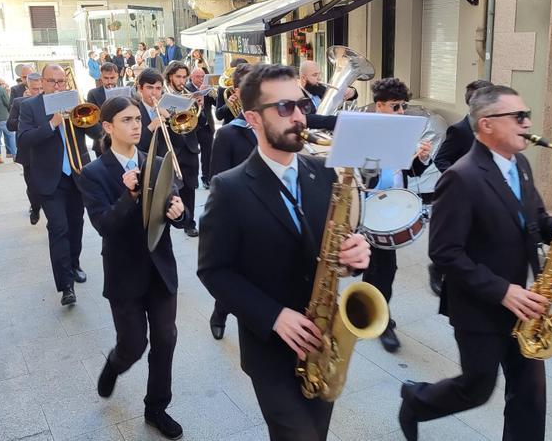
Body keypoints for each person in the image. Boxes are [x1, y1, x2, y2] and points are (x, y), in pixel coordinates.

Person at [398, 85, 552, 441]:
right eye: (519, 116)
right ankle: (415, 400)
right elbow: (445, 253)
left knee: (530, 395)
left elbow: (533, 218)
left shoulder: (521, 164)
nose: (528, 122)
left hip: (528, 303)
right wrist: (503, 292)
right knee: (477, 388)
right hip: (479, 305)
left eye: (526, 115)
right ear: (486, 125)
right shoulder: (461, 176)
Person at [197, 64, 371, 441]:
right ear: (252, 119)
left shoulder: (324, 172)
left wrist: (354, 254)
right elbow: (214, 271)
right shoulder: (229, 188)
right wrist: (275, 317)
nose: (298, 116)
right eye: (284, 108)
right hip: (271, 350)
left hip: (325, 343)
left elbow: (330, 248)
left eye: (301, 105)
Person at [76, 96, 188, 440]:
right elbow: (104, 226)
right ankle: (115, 364)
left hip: (160, 268)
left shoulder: (158, 161)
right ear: (108, 127)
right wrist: (129, 196)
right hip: (124, 272)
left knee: (166, 338)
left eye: (138, 119)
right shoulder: (93, 174)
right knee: (134, 344)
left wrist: (179, 212)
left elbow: (178, 213)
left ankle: (156, 408)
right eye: (126, 120)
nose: (136, 125)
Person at [18, 64, 104, 305]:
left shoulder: (74, 102)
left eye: (61, 82)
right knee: (58, 228)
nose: (57, 86)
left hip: (77, 175)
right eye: (52, 81)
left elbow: (97, 133)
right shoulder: (30, 106)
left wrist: (84, 117)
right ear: (42, 82)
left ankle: (74, 264)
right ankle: (66, 285)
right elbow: (23, 140)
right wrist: (52, 124)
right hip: (49, 179)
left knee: (76, 225)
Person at [362, 78, 432, 353]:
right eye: (396, 106)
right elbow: (364, 179)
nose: (402, 112)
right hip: (370, 211)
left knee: (378, 269)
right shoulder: (365, 135)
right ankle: (382, 321)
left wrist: (419, 158)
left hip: (391, 210)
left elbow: (408, 172)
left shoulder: (400, 133)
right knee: (383, 268)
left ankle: (369, 308)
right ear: (379, 106)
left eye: (404, 106)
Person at [428, 79, 494, 295]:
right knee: (456, 237)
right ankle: (437, 270)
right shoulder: (459, 130)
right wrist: (457, 179)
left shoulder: (491, 129)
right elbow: (441, 159)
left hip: (484, 191)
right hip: (461, 193)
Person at [162, 61, 202, 237]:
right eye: (178, 76)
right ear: (170, 76)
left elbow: (198, 123)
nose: (181, 80)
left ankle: (189, 222)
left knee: (190, 188)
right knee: (169, 189)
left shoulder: (189, 94)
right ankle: (168, 221)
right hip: (171, 149)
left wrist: (199, 104)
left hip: (190, 147)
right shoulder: (162, 95)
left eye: (184, 77)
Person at [7, 72, 44, 225]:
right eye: (36, 89)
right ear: (28, 88)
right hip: (29, 151)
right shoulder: (19, 102)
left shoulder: (50, 100)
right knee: (32, 186)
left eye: (42, 88)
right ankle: (35, 208)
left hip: (48, 149)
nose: (39, 92)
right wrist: (27, 119)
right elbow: (10, 125)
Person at [184, 67, 216, 189]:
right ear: (192, 77)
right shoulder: (186, 88)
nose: (201, 79)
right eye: (198, 77)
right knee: (193, 154)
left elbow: (215, 104)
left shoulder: (207, 87)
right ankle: (194, 179)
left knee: (207, 154)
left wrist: (212, 94)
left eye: (203, 76)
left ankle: (206, 178)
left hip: (206, 125)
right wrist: (195, 100)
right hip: (193, 125)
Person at [87, 62, 121, 157]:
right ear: (101, 77)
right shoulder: (93, 93)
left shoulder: (126, 91)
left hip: (123, 142)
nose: (109, 82)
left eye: (112, 78)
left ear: (117, 76)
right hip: (102, 143)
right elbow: (93, 121)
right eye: (106, 78)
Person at [215, 58, 249, 126]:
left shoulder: (251, 87)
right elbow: (218, 116)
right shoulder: (223, 89)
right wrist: (228, 104)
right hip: (230, 127)